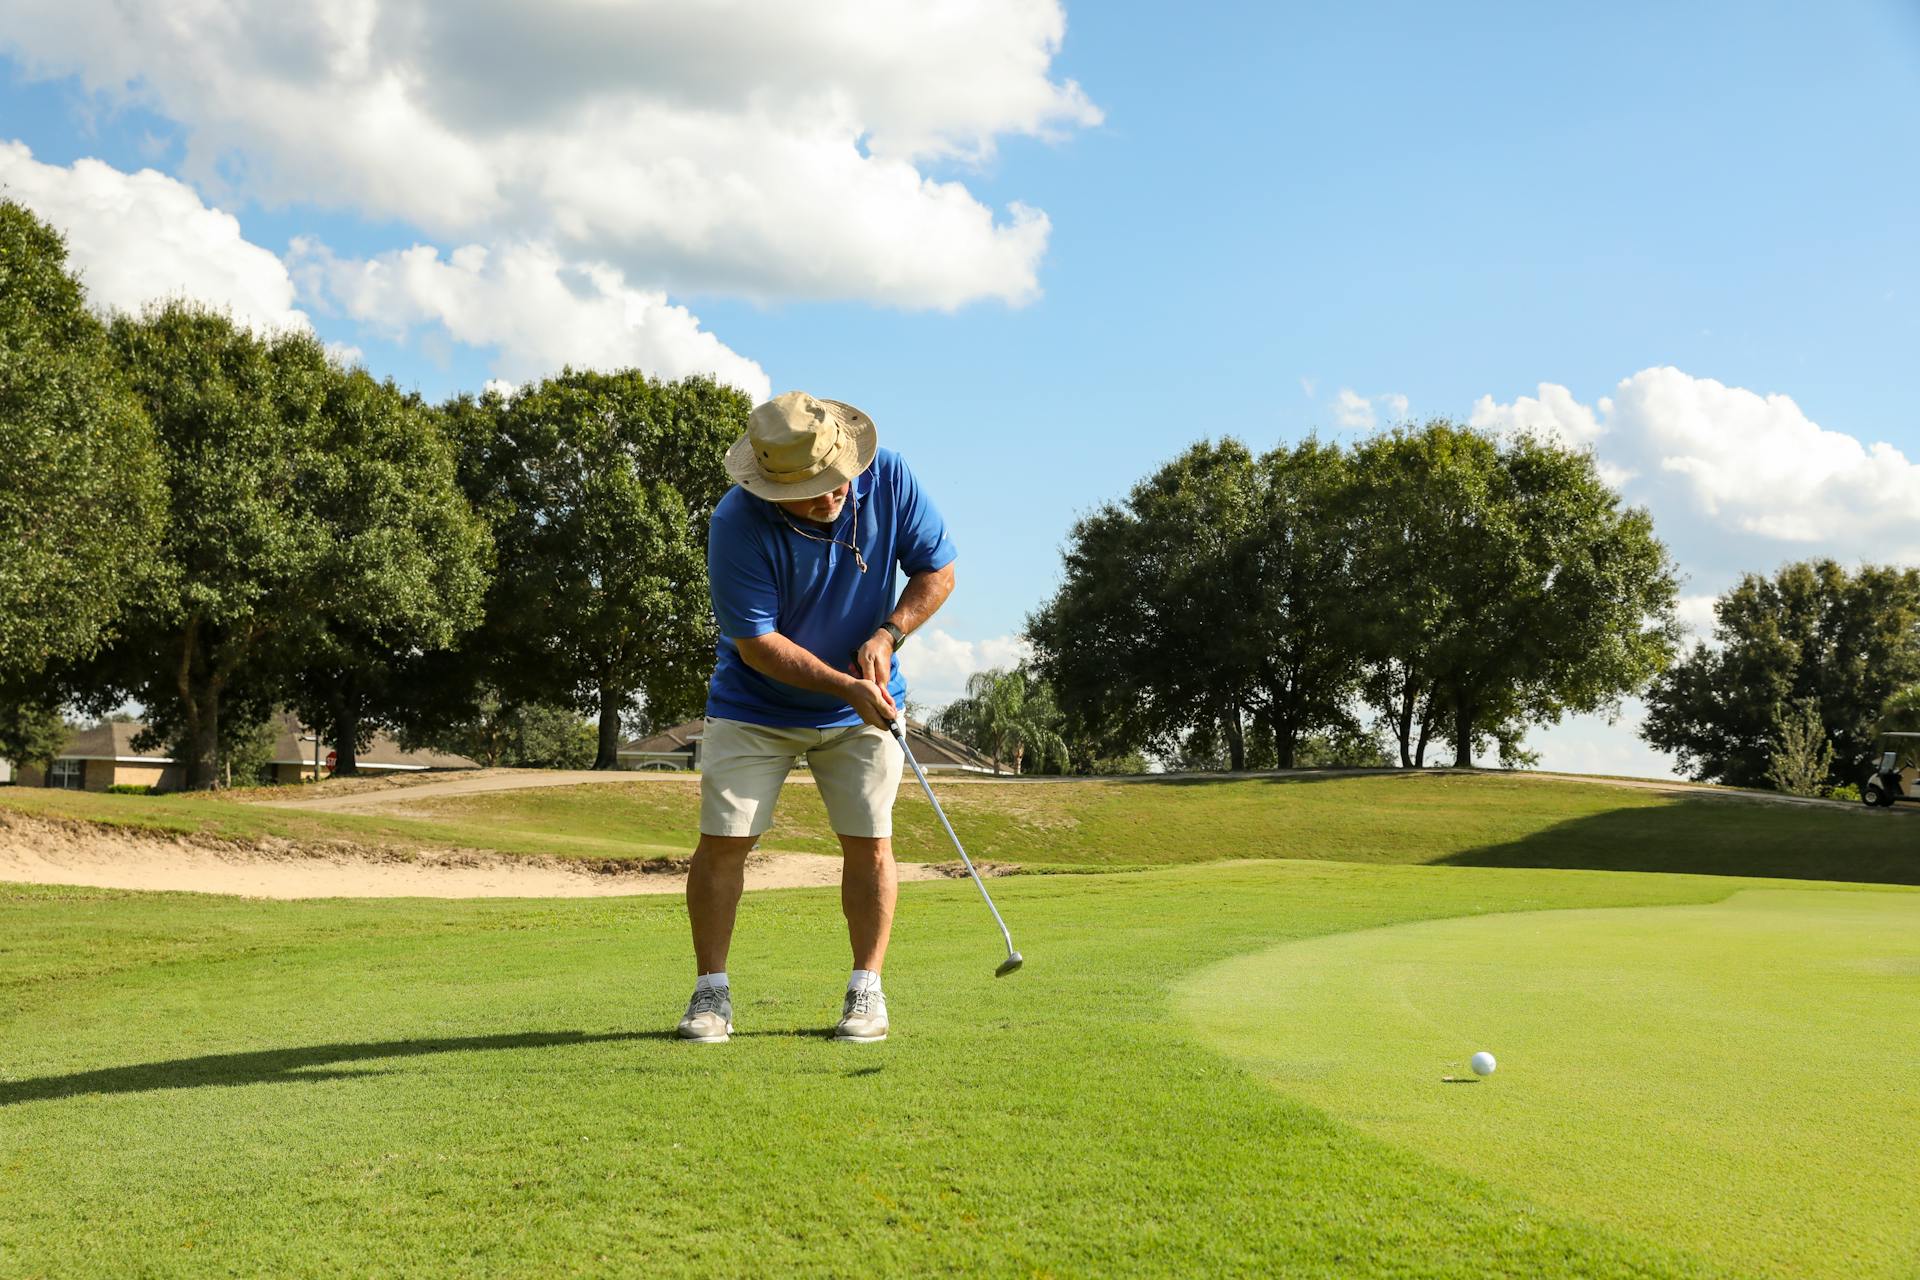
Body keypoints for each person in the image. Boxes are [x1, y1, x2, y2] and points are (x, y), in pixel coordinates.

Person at [677, 391, 956, 1044]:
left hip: (866, 706)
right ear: (770, 483)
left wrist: (889, 633)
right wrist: (840, 683)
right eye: (809, 490)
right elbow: (757, 644)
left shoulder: (890, 476)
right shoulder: (736, 523)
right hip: (755, 706)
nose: (830, 497)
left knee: (869, 841)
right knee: (725, 842)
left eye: (835, 482)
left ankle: (867, 992)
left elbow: (937, 570)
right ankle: (710, 995)